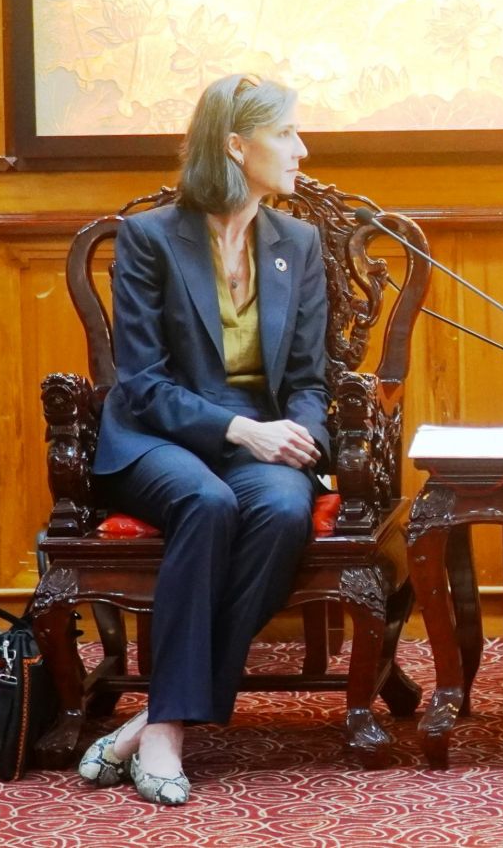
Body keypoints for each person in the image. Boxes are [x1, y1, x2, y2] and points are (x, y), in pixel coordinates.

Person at [77, 73, 326, 805]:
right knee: (207, 502)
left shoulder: (299, 243)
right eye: (286, 133)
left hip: (259, 436)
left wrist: (301, 437)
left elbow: (308, 377)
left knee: (282, 508)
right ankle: (166, 733)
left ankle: (157, 716)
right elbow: (141, 381)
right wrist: (239, 427)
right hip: (156, 433)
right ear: (236, 145)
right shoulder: (152, 238)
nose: (302, 151)